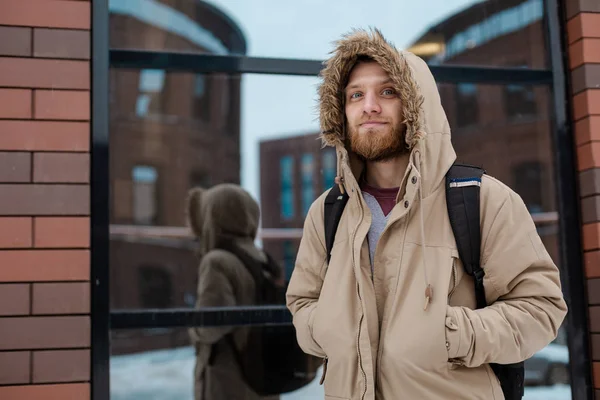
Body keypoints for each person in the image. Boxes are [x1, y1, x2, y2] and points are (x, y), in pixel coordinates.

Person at [286, 28, 568, 400]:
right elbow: (302, 303)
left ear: (417, 105)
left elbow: (541, 307)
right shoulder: (327, 210)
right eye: (356, 95)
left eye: (387, 91)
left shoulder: (483, 200)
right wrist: (330, 327)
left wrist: (449, 333)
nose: (369, 105)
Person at [186, 184, 279, 400]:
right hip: (261, 377)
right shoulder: (262, 259)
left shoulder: (217, 261)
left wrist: (194, 328)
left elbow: (214, 322)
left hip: (229, 381)